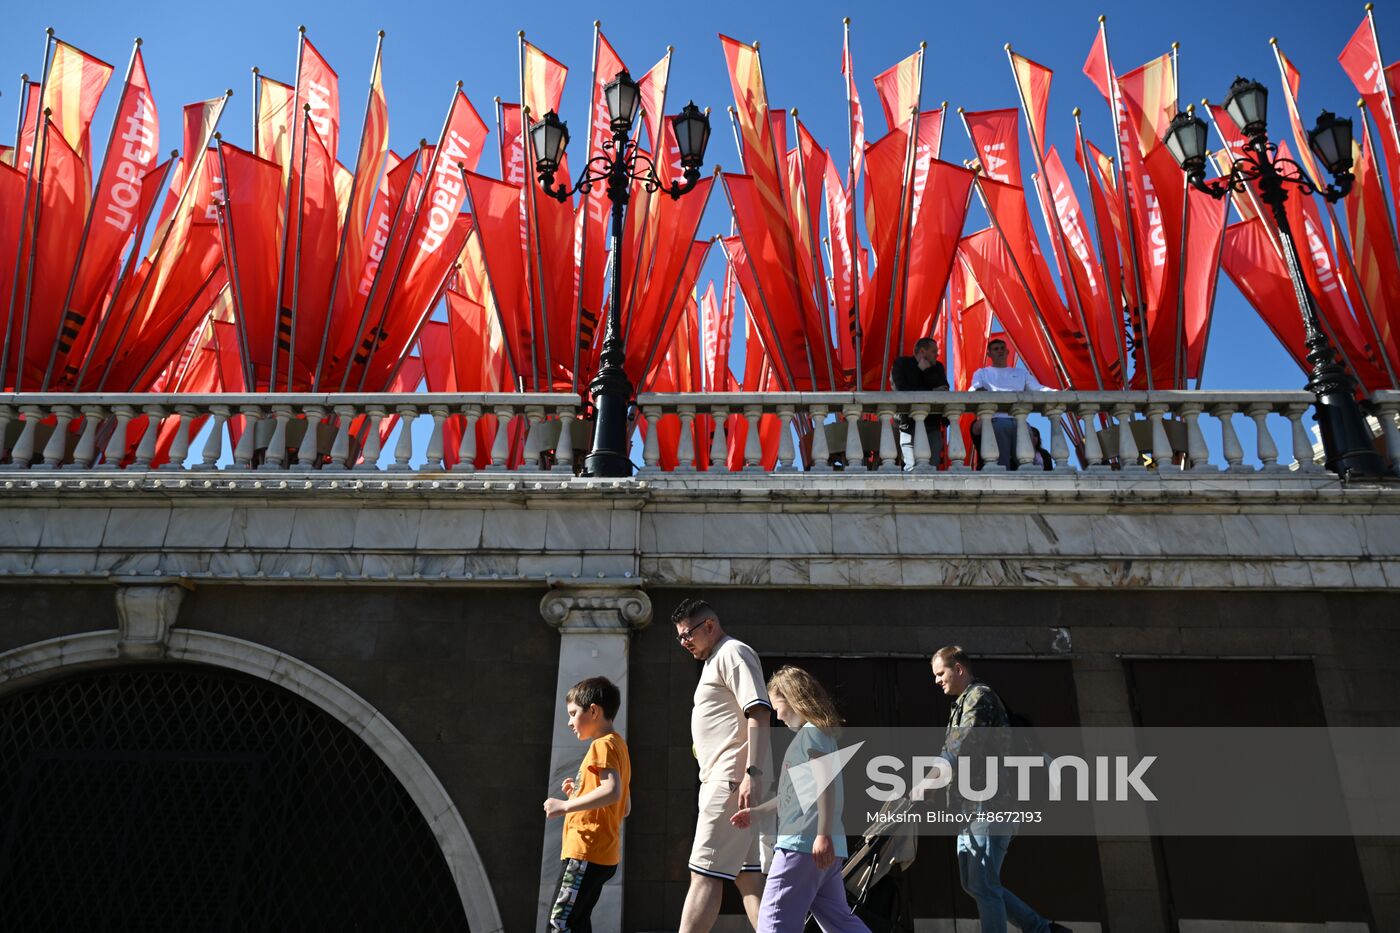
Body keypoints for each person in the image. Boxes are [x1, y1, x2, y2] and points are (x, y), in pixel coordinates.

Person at [931, 647, 1069, 933]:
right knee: (974, 883)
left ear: (958, 669)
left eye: (940, 673)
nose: (937, 680)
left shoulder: (980, 697)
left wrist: (929, 779)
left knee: (983, 883)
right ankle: (1041, 929)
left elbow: (961, 744)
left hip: (991, 803)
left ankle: (1040, 929)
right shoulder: (961, 703)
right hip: (970, 808)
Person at [731, 666, 870, 933]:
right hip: (822, 849)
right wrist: (757, 812)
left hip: (802, 845)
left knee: (773, 921)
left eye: (776, 706)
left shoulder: (810, 735)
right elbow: (794, 795)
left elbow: (824, 785)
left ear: (792, 698)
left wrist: (822, 834)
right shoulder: (818, 735)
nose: (776, 716)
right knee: (839, 922)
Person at [674, 598, 773, 932]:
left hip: (731, 780)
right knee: (750, 882)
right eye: (680, 638)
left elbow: (759, 712)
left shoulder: (733, 652)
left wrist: (752, 774)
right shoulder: (715, 660)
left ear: (710, 625)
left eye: (687, 635)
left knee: (703, 873)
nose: (684, 643)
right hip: (729, 780)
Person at [542, 676, 632, 933]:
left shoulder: (601, 746)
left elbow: (612, 792)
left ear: (593, 710)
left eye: (573, 713)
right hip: (603, 854)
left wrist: (564, 806)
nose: (569, 722)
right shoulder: (619, 747)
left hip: (585, 851)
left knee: (559, 924)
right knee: (577, 923)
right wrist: (578, 793)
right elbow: (623, 806)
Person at [968, 339, 1052, 470]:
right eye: (996, 349)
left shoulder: (1021, 373)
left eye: (1002, 348)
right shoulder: (982, 373)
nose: (1000, 351)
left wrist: (1057, 392)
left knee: (1026, 464)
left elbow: (1038, 389)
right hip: (996, 421)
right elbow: (974, 390)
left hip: (1020, 421)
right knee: (1001, 466)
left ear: (1007, 352)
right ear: (989, 354)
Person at [890, 337, 950, 470]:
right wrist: (931, 389)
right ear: (922, 351)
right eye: (934, 351)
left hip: (932, 423)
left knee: (932, 465)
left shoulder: (937, 367)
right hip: (908, 423)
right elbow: (901, 389)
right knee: (910, 466)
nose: (937, 355)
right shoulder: (901, 364)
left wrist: (927, 371)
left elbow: (944, 390)